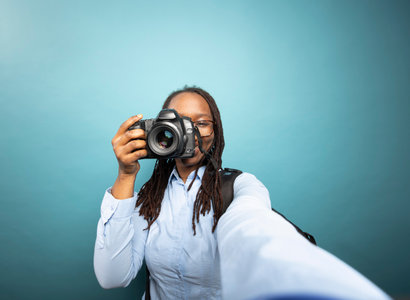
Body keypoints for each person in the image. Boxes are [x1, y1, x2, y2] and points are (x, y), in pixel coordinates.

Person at [94, 86, 390, 300]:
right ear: (160, 133)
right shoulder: (149, 198)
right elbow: (112, 277)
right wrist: (126, 175)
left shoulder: (241, 187)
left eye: (201, 123)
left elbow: (252, 228)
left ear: (216, 131)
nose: (190, 132)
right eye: (178, 123)